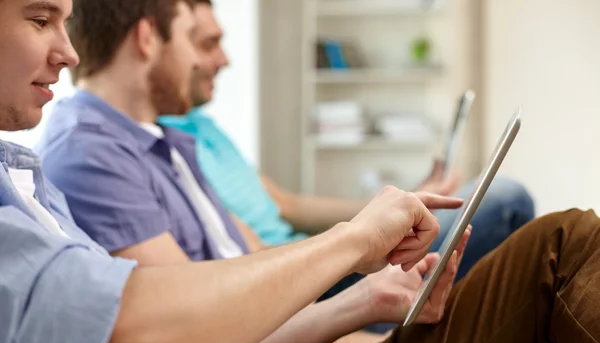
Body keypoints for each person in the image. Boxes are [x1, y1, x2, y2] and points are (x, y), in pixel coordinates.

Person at [1, 1, 598, 343]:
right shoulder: (84, 151)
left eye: (64, 21)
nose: (68, 51)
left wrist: (364, 297)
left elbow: (219, 298)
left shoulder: (81, 164)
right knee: (556, 243)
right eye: (39, 18)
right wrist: (353, 248)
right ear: (146, 37)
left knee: (551, 305)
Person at [158, 0, 535, 279]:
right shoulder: (162, 148)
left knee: (484, 217)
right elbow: (248, 257)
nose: (224, 60)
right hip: (302, 273)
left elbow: (285, 203)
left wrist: (393, 202)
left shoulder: (203, 126)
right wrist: (349, 246)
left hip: (317, 256)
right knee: (506, 201)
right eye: (207, 45)